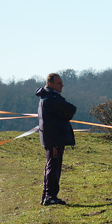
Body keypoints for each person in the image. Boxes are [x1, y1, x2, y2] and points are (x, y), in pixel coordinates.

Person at [35, 73, 77, 206]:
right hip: (54, 137)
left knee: (52, 166)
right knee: (53, 167)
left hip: (53, 137)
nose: (62, 85)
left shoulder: (47, 97)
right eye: (59, 83)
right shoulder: (51, 98)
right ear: (50, 84)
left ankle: (46, 195)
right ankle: (50, 196)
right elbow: (70, 109)